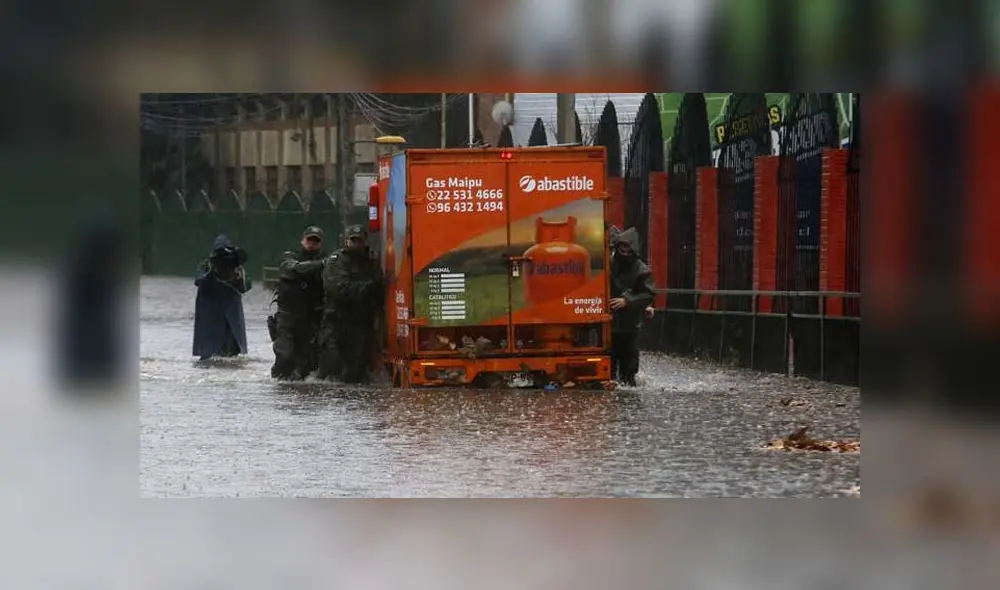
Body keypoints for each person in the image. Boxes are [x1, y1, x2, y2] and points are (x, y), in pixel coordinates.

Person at [319, 224, 384, 384]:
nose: (356, 244)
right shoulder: (336, 261)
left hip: (361, 324)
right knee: (331, 368)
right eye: (353, 240)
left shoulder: (371, 262)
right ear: (346, 241)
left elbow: (380, 289)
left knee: (355, 372)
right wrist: (369, 285)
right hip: (336, 322)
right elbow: (340, 289)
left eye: (359, 241)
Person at [269, 226, 326, 380]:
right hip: (287, 318)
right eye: (309, 240)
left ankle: (299, 394)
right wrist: (323, 264)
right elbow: (297, 268)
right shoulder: (289, 257)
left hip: (310, 319)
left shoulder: (325, 262)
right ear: (302, 240)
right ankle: (279, 387)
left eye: (316, 241)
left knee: (305, 366)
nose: (312, 244)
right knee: (285, 356)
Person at [609, 226, 655, 387]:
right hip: (609, 322)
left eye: (628, 250)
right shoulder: (609, 264)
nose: (624, 253)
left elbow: (648, 294)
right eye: (621, 249)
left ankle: (627, 383)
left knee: (629, 363)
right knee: (610, 361)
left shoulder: (641, 269)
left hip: (630, 324)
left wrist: (627, 301)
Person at [193, 234, 251, 360]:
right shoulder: (206, 265)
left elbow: (246, 286)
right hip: (210, 317)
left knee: (231, 354)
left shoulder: (237, 269)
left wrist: (236, 279)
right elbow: (198, 280)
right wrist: (213, 273)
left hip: (231, 317)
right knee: (210, 355)